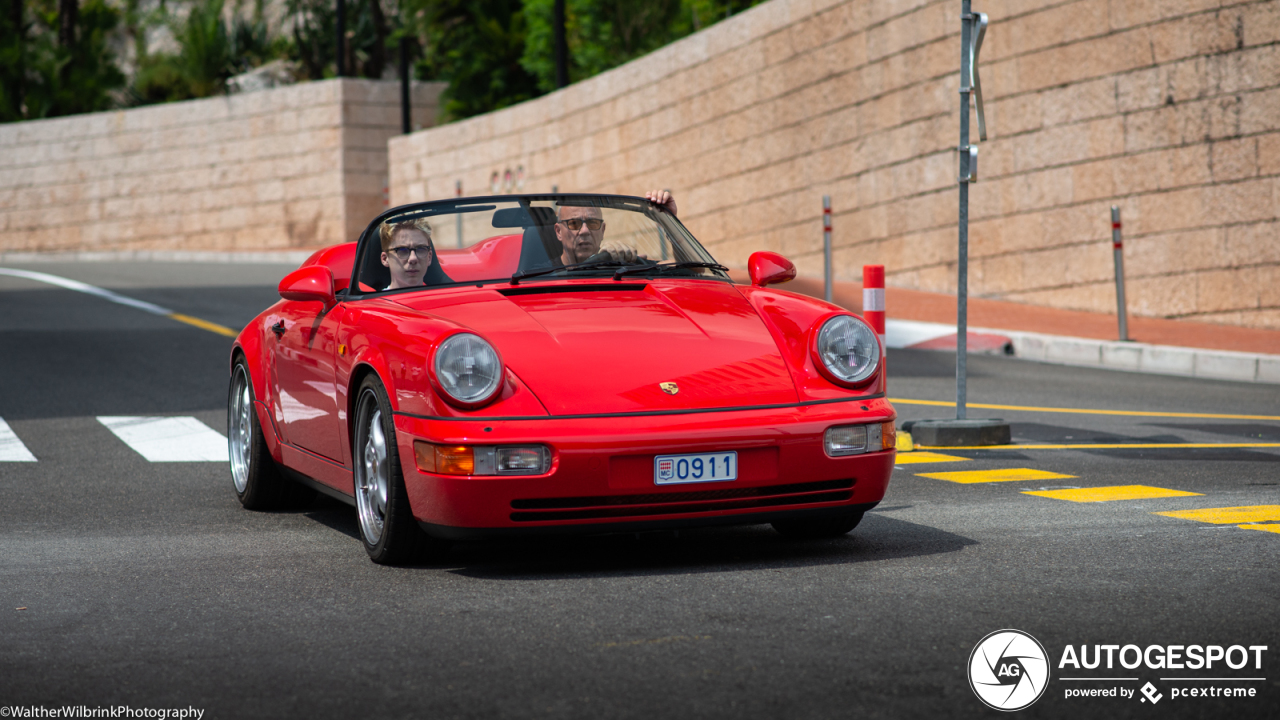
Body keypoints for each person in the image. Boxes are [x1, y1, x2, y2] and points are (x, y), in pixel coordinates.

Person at [553, 189, 678, 266]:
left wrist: (670, 223)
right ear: (558, 231)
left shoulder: (619, 269)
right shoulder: (540, 276)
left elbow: (692, 269)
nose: (585, 231)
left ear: (603, 230)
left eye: (593, 223)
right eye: (574, 223)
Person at [379, 218, 450, 289]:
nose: (413, 258)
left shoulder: (441, 299)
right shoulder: (373, 300)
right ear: (385, 259)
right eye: (402, 250)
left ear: (429, 257)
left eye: (421, 249)